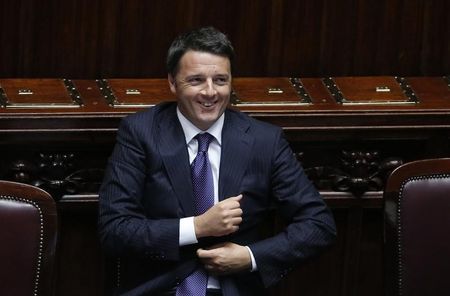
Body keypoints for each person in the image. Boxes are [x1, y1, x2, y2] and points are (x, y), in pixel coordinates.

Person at [98, 26, 336, 296]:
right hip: (162, 288)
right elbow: (114, 230)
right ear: (173, 83)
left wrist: (250, 257)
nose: (210, 92)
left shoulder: (264, 140)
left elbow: (319, 225)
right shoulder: (141, 133)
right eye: (196, 80)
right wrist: (197, 227)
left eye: (220, 80)